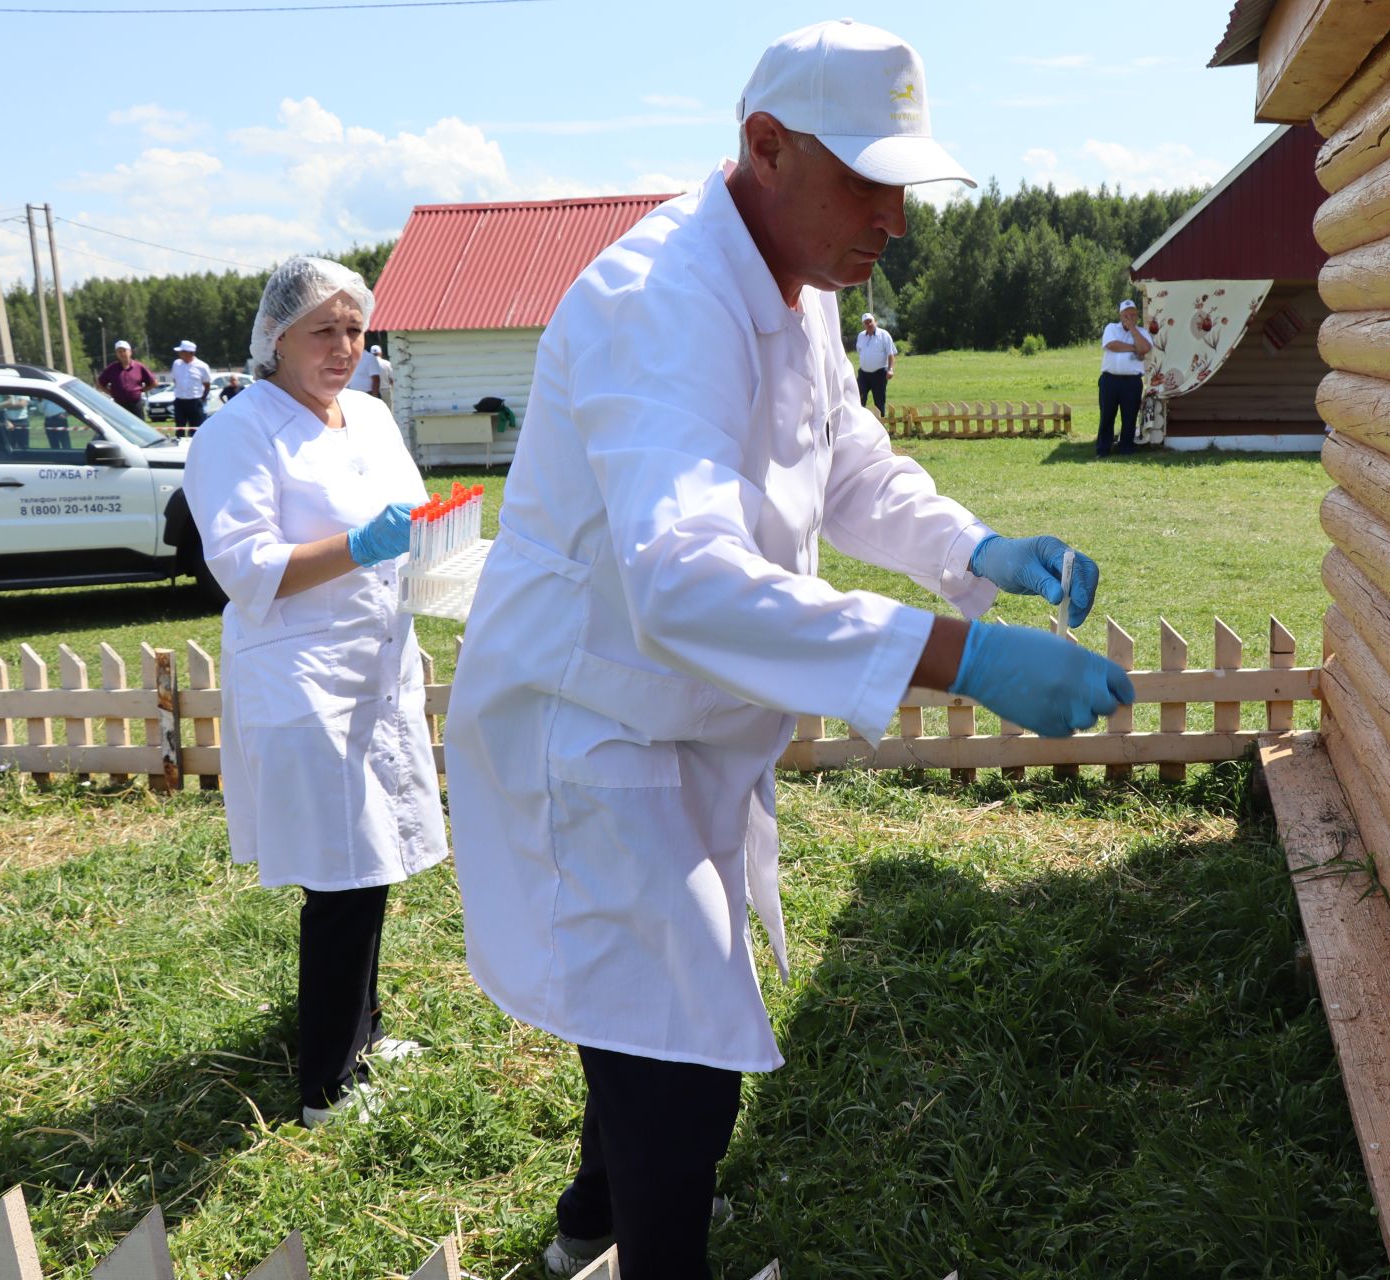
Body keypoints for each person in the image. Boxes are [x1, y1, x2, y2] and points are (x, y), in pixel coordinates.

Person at [444, 19, 1133, 1279]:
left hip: (679, 715)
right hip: (591, 725)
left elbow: (845, 459)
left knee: (650, 1017)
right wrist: (960, 659)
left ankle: (582, 1228)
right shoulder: (659, 303)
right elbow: (684, 579)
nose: (900, 219)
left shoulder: (798, 283)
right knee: (683, 1058)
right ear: (765, 146)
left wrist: (977, 549)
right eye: (870, 179)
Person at [182, 256, 448, 1129]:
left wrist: (434, 556)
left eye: (355, 330)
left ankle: (363, 1033)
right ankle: (327, 1087)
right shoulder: (238, 432)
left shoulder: (369, 416)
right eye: (323, 331)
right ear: (275, 340)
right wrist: (357, 546)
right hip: (304, 679)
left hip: (376, 665)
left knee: (373, 866)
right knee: (340, 878)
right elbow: (244, 566)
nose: (343, 347)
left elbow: (410, 522)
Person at [1096, 299, 1151, 457]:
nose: (1129, 318)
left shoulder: (1142, 332)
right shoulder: (1111, 328)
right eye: (1126, 315)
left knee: (1129, 416)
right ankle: (1103, 449)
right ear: (1120, 316)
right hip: (1110, 380)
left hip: (1132, 382)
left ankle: (1126, 448)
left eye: (1133, 315)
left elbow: (1145, 348)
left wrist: (1133, 329)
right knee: (1107, 415)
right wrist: (1135, 348)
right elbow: (1112, 345)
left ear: (1137, 316)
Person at [97, 339, 158, 419]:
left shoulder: (139, 367)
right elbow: (100, 384)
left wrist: (141, 390)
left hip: (136, 405)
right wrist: (112, 393)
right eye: (119, 351)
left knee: (138, 429)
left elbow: (154, 382)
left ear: (130, 352)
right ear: (116, 354)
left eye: (124, 351)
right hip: (119, 406)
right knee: (120, 429)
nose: (122, 354)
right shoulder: (111, 368)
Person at [854, 311, 897, 416]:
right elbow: (860, 351)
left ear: (875, 322)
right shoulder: (861, 336)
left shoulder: (884, 335)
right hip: (863, 374)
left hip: (879, 373)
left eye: (870, 321)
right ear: (863, 324)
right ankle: (858, 424)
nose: (868, 324)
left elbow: (890, 354)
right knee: (858, 399)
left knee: (879, 401)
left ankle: (881, 425)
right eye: (866, 323)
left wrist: (890, 369)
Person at [169, 340, 214, 437]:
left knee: (196, 430)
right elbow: (175, 380)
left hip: (195, 402)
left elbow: (207, 385)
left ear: (190, 353)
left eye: (182, 351)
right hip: (180, 401)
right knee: (179, 428)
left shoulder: (202, 366)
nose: (179, 353)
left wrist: (201, 399)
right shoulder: (176, 364)